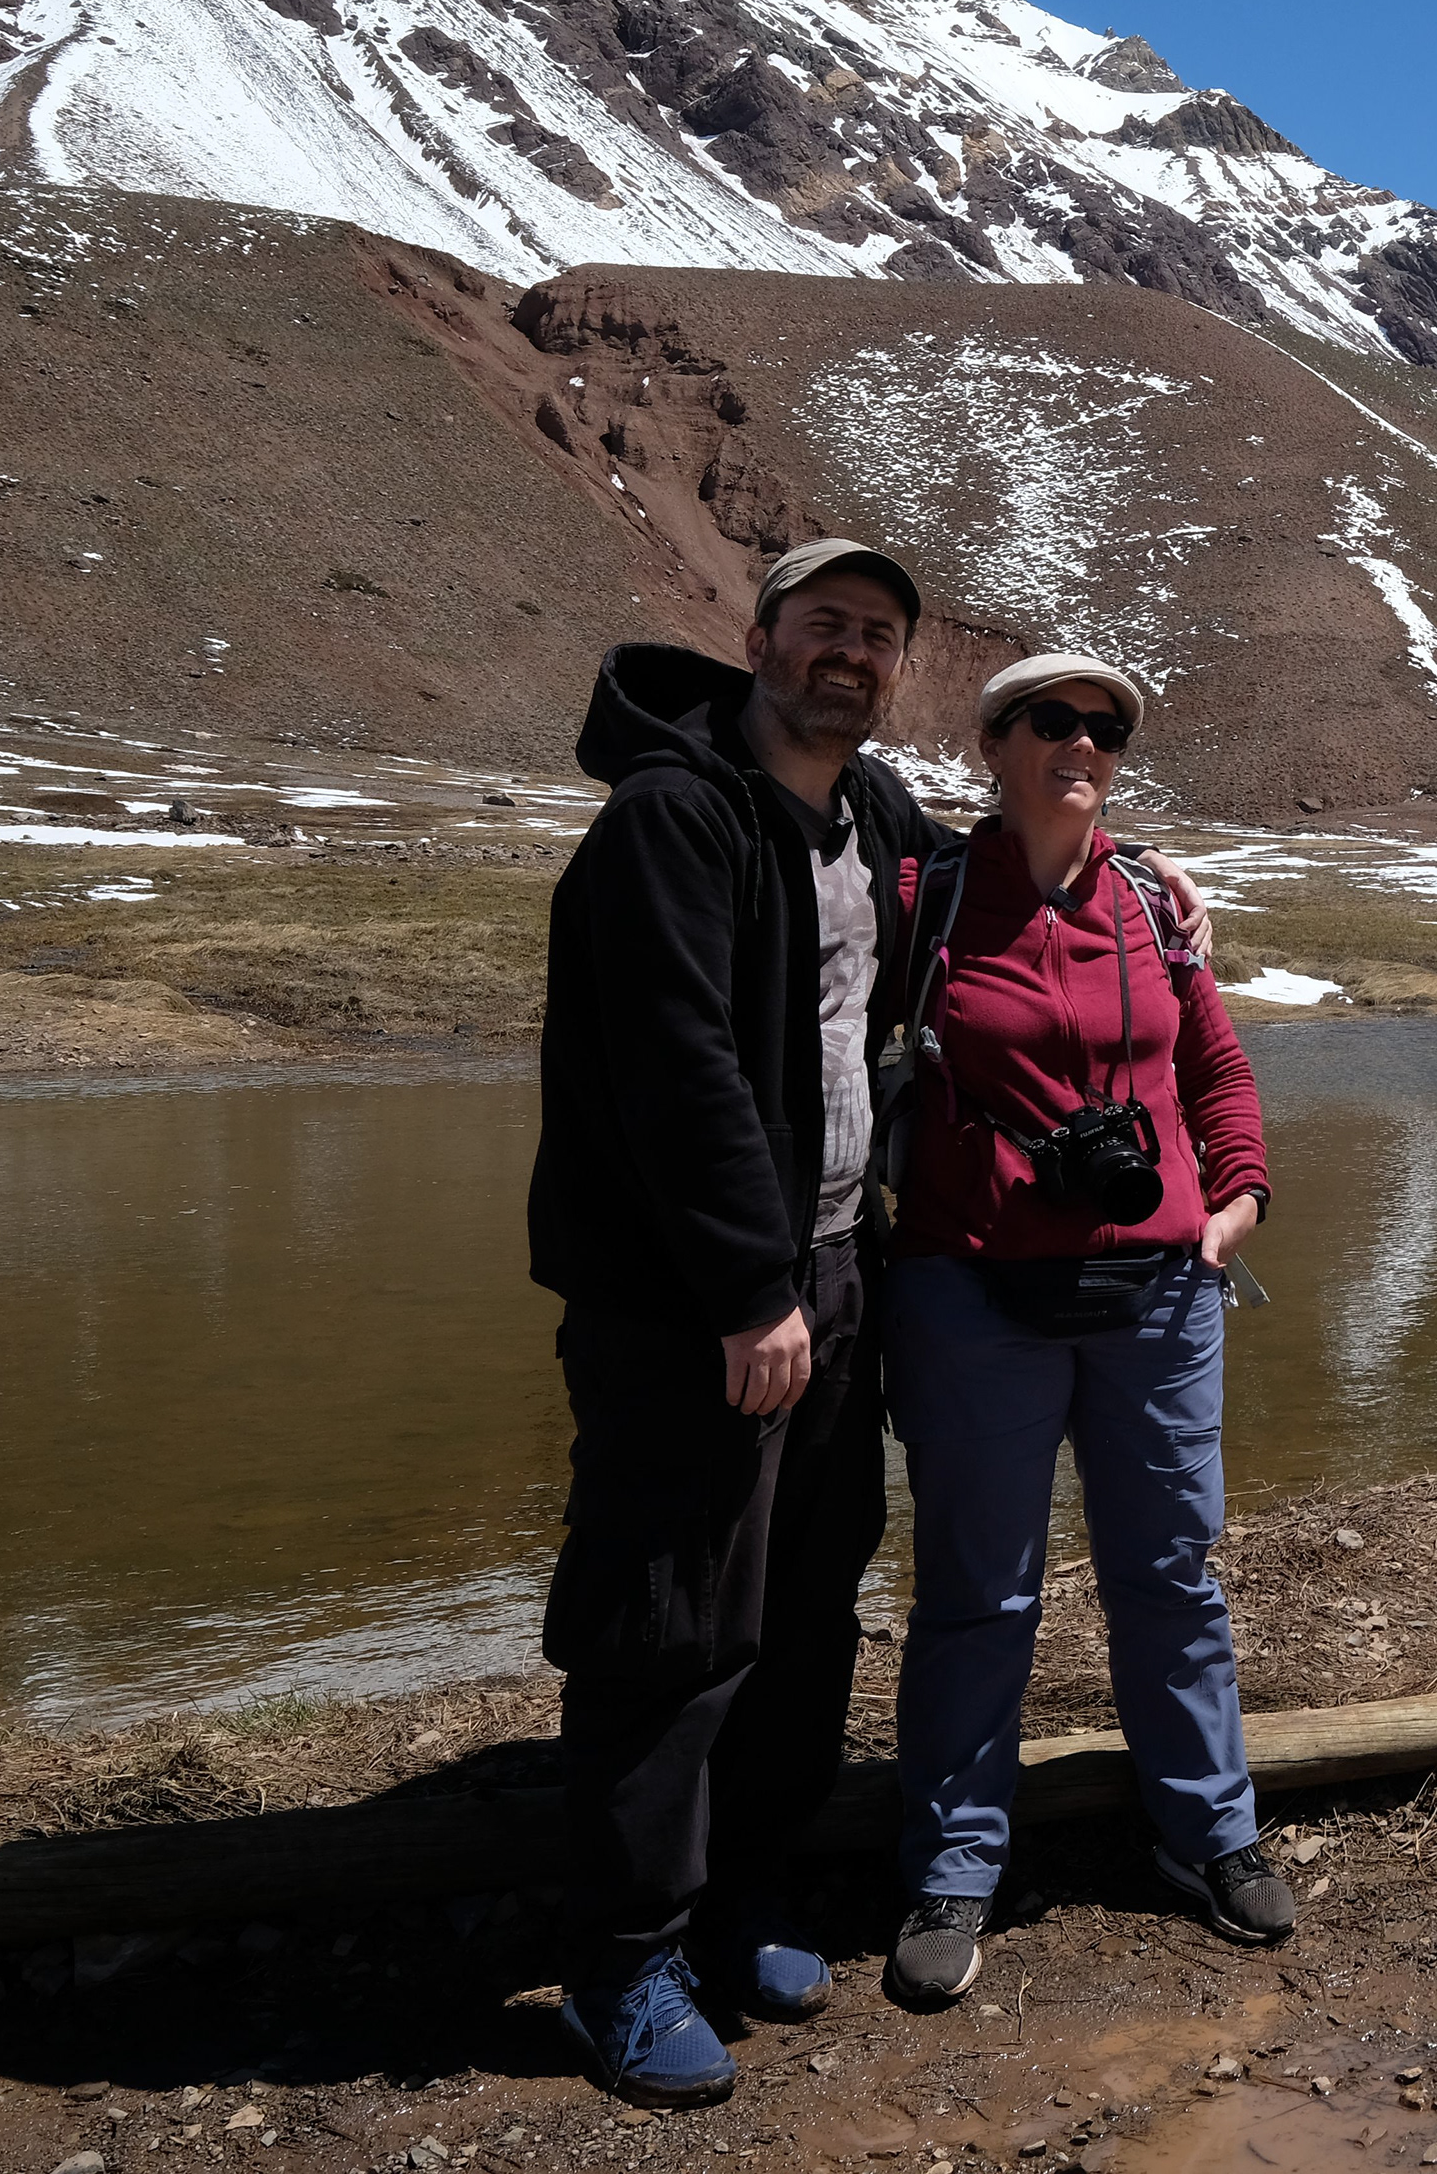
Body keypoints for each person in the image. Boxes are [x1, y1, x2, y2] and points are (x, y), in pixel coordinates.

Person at [522, 538, 950, 2108]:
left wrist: (1117, 865)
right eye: (825, 625)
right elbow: (676, 1073)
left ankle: (743, 1894)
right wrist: (745, 1290)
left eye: (879, 636)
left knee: (807, 1603)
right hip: (695, 1306)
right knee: (671, 1620)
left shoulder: (872, 820)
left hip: (835, 1275)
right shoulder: (671, 817)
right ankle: (623, 1959)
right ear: (757, 636)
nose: (852, 654)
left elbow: (965, 885)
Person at [877, 650, 1287, 2010]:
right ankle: (955, 1863)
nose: (1081, 744)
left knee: (1171, 1575)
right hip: (971, 1290)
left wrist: (1238, 1198)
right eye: (1051, 721)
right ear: (995, 742)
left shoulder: (1153, 910)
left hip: (1161, 1297)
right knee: (978, 1593)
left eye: (1104, 728)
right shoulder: (923, 896)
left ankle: (1208, 1833)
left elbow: (1212, 1066)